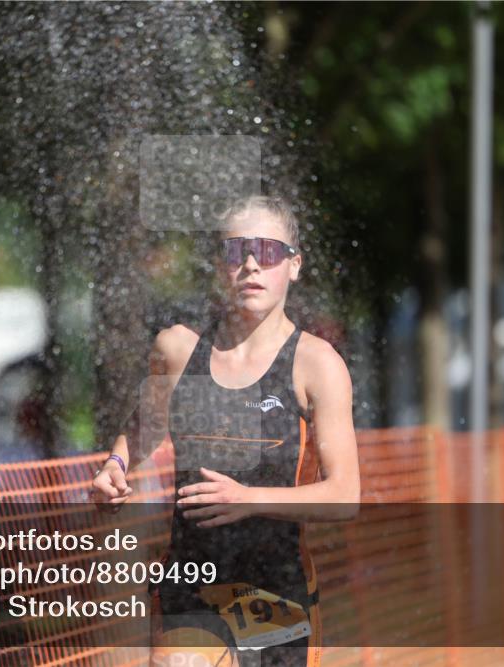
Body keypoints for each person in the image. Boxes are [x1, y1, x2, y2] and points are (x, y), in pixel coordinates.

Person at [92, 195, 360, 666]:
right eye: (237, 252)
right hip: (191, 586)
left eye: (269, 252)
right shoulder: (177, 350)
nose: (252, 264)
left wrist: (247, 499)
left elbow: (344, 495)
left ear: (293, 265)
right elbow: (143, 429)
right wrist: (116, 465)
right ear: (220, 266)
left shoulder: (317, 364)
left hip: (278, 590)